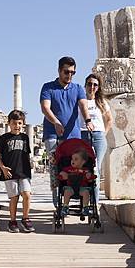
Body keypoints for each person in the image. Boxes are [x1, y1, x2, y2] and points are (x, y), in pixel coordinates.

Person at [40, 57, 94, 204]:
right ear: (59, 70)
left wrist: (88, 120)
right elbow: (45, 108)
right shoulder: (48, 87)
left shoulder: (77, 88)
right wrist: (56, 122)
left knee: (72, 166)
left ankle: (70, 197)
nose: (69, 75)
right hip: (52, 134)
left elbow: (83, 106)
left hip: (72, 135)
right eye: (66, 72)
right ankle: (57, 201)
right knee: (54, 167)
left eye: (72, 72)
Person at [0, 109, 34, 233]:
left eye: (19, 123)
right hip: (10, 172)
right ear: (9, 123)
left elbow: (26, 155)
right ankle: (12, 221)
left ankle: (25, 218)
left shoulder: (25, 138)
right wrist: (3, 168)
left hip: (23, 172)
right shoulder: (4, 138)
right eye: (14, 123)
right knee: (14, 197)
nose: (17, 126)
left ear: (23, 124)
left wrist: (29, 169)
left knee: (27, 194)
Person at [79, 73, 112, 202]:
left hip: (98, 135)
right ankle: (85, 200)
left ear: (98, 87)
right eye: (89, 84)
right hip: (83, 134)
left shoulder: (101, 102)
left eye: (95, 85)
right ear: (85, 85)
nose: (92, 87)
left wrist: (104, 133)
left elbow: (109, 120)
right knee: (84, 168)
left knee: (96, 169)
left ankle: (95, 202)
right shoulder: (81, 101)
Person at [58, 149, 95, 217]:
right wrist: (63, 174)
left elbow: (90, 180)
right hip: (70, 187)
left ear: (83, 162)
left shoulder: (86, 170)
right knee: (67, 192)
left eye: (76, 159)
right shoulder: (68, 169)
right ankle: (65, 206)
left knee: (86, 192)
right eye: (72, 159)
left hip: (82, 188)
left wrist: (89, 177)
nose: (73, 161)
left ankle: (85, 207)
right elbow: (61, 173)